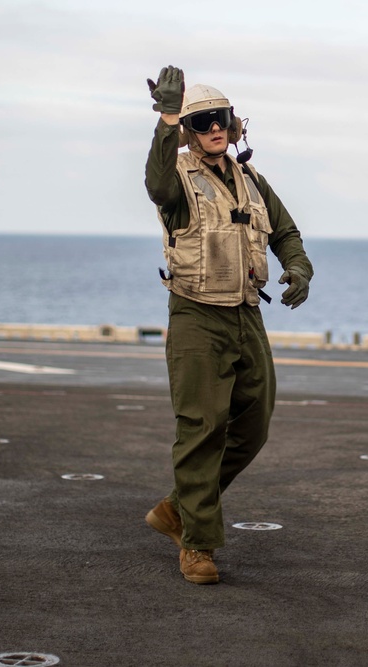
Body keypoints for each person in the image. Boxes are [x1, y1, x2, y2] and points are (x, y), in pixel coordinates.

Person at [142, 66, 314, 584]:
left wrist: (299, 266)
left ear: (233, 125)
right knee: (201, 429)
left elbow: (286, 232)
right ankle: (197, 544)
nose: (215, 128)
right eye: (203, 121)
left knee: (254, 425)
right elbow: (154, 183)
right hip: (196, 315)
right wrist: (167, 119)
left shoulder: (253, 181)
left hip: (246, 313)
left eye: (220, 118)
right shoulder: (177, 180)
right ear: (191, 131)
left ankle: (178, 508)